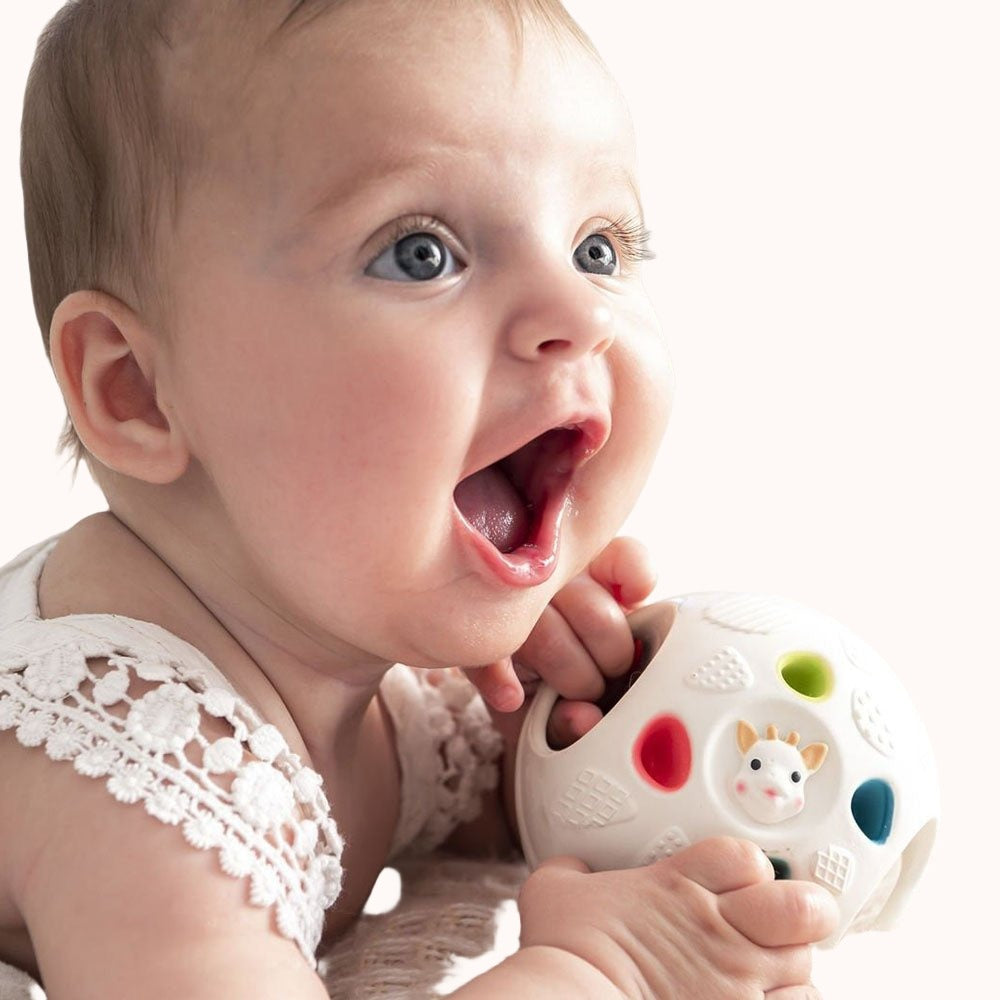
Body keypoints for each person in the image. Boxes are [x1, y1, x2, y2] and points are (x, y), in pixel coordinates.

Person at [0, 1, 837, 997]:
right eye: (420, 253)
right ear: (137, 388)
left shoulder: (324, 629)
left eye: (598, 248)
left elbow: (478, 813)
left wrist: (568, 736)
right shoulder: (135, 769)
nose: (577, 315)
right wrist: (600, 967)